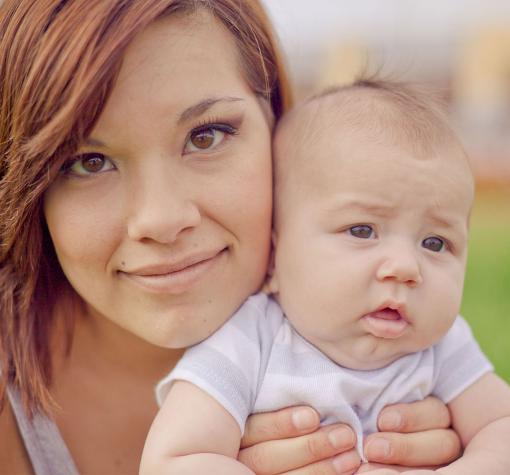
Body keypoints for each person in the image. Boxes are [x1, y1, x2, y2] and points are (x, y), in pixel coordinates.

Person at [0, 1, 464, 474]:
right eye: (88, 162)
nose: (161, 220)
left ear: (278, 126)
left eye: (206, 136)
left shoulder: (393, 326)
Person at [140, 80, 510, 475]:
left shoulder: (442, 345)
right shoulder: (248, 342)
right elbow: (175, 461)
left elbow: (500, 427)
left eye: (435, 243)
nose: (405, 267)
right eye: (362, 231)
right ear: (274, 259)